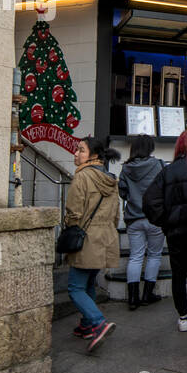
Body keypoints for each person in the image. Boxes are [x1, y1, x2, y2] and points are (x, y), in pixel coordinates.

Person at [142, 129, 187, 333]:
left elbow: (149, 201)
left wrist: (165, 222)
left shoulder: (167, 171)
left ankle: (183, 318)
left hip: (176, 232)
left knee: (179, 275)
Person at [64, 136, 121, 351]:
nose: (76, 154)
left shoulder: (82, 177)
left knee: (75, 287)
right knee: (88, 282)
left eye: (81, 151)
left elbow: (73, 212)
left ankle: (98, 322)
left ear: (94, 156)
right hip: (105, 237)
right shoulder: (111, 179)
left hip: (86, 238)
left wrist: (70, 229)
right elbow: (116, 214)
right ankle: (86, 325)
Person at [118, 134, 166, 310]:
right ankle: (147, 294)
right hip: (155, 218)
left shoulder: (126, 168)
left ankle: (132, 298)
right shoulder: (159, 165)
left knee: (136, 256)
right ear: (150, 148)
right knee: (154, 255)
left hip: (134, 218)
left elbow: (122, 192)